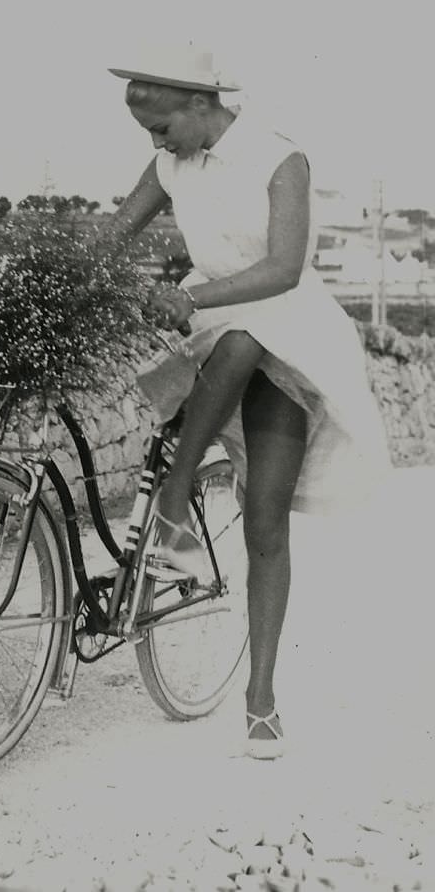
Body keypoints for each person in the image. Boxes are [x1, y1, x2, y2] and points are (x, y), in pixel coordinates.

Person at [107, 46, 388, 759]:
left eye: (163, 126)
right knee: (233, 342)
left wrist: (189, 294)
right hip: (220, 330)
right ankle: (171, 507)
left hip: (287, 330)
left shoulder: (279, 158)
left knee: (265, 513)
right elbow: (114, 236)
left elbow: (283, 268)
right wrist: (62, 282)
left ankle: (260, 694)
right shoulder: (173, 160)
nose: (157, 144)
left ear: (202, 104)